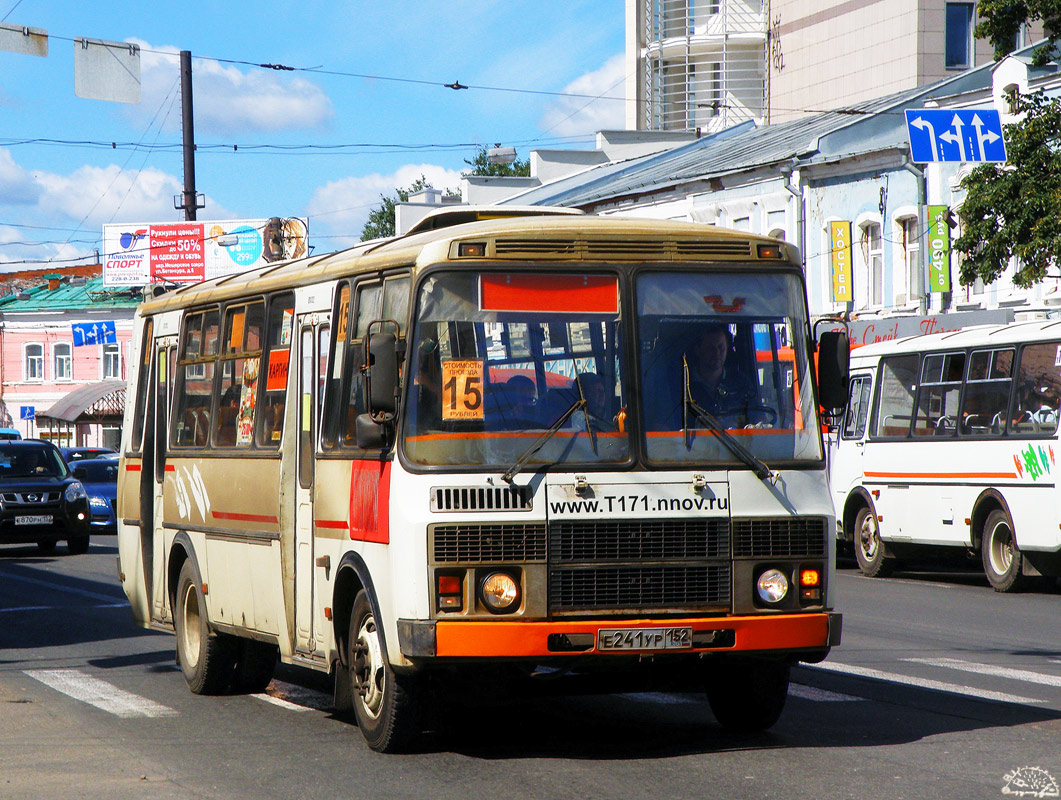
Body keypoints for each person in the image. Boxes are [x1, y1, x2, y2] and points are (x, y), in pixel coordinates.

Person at [685, 324, 757, 423]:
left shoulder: (741, 383)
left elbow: (759, 420)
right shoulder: (684, 385)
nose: (717, 352)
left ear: (727, 348)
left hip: (735, 439)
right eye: (710, 348)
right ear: (698, 349)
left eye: (721, 347)